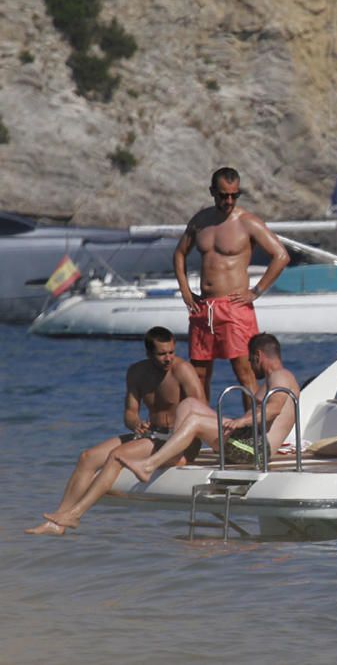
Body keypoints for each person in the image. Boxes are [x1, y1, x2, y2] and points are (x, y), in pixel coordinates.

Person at [26, 327, 205, 535]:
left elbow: (200, 411)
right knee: (87, 457)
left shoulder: (183, 370)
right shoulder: (136, 372)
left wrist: (176, 435)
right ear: (148, 354)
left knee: (117, 456)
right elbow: (129, 413)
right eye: (162, 354)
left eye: (171, 352)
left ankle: (75, 515)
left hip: (179, 442)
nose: (168, 358)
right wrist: (136, 424)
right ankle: (57, 523)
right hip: (151, 435)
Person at [174, 167, 290, 403]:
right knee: (199, 374)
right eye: (223, 195)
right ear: (212, 192)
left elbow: (281, 256)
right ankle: (203, 426)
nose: (228, 201)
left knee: (244, 371)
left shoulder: (248, 222)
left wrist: (256, 291)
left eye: (234, 195)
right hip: (204, 307)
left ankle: (252, 429)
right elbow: (179, 254)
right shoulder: (200, 222)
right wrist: (186, 291)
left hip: (234, 306)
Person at [121, 333, 300, 483]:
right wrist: (238, 423)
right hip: (247, 441)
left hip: (257, 450)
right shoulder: (275, 379)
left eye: (250, 360)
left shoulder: (281, 376)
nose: (250, 367)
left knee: (195, 421)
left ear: (258, 356)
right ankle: (175, 452)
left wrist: (241, 421)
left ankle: (149, 465)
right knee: (189, 404)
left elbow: (273, 409)